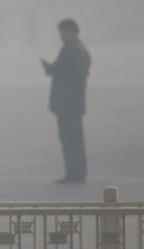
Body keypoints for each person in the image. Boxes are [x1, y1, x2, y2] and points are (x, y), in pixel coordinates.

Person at [41, 19, 91, 184]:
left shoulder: (71, 50)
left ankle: (74, 173)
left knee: (70, 140)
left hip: (67, 103)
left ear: (72, 31)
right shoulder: (81, 49)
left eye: (63, 32)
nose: (61, 36)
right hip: (74, 102)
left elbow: (59, 69)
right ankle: (78, 172)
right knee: (74, 139)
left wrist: (48, 68)